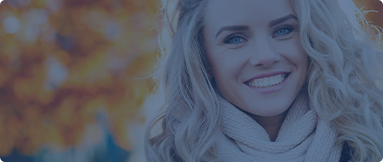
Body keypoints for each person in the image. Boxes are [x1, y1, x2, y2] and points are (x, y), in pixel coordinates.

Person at [144, 0, 383, 161]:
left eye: (283, 30)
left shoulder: (372, 135)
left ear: (314, 35)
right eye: (235, 39)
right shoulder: (170, 155)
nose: (265, 57)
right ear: (202, 58)